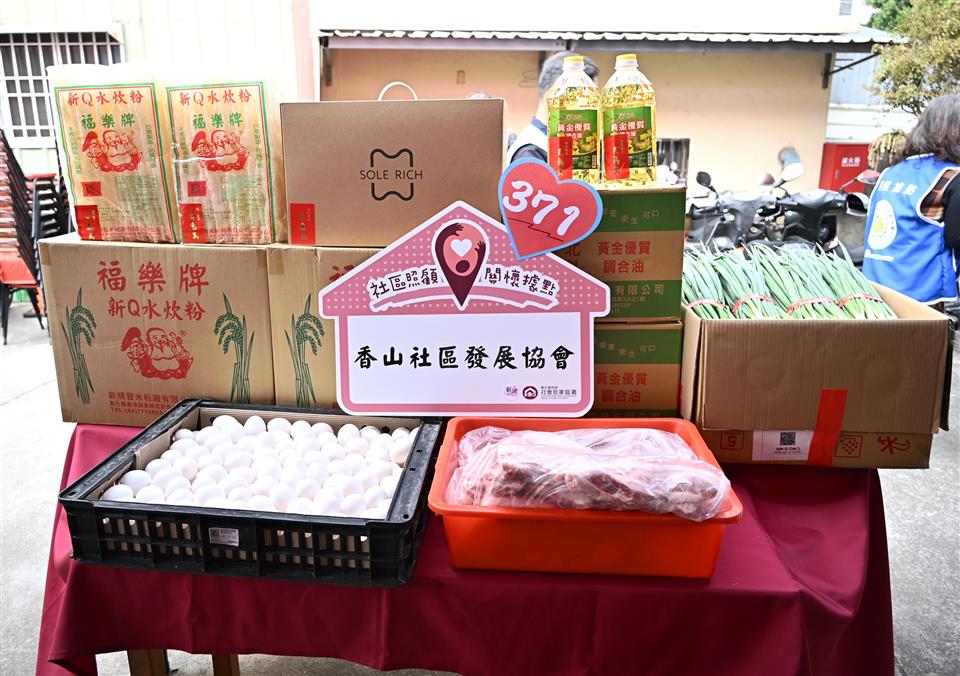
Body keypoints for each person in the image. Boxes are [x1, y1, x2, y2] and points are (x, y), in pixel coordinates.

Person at [862, 94, 960, 306]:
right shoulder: (951, 176)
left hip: (875, 288)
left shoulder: (891, 172)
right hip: (922, 294)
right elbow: (956, 237)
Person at [506, 51, 599, 164]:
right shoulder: (531, 152)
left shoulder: (559, 143)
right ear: (553, 95)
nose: (591, 107)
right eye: (584, 97)